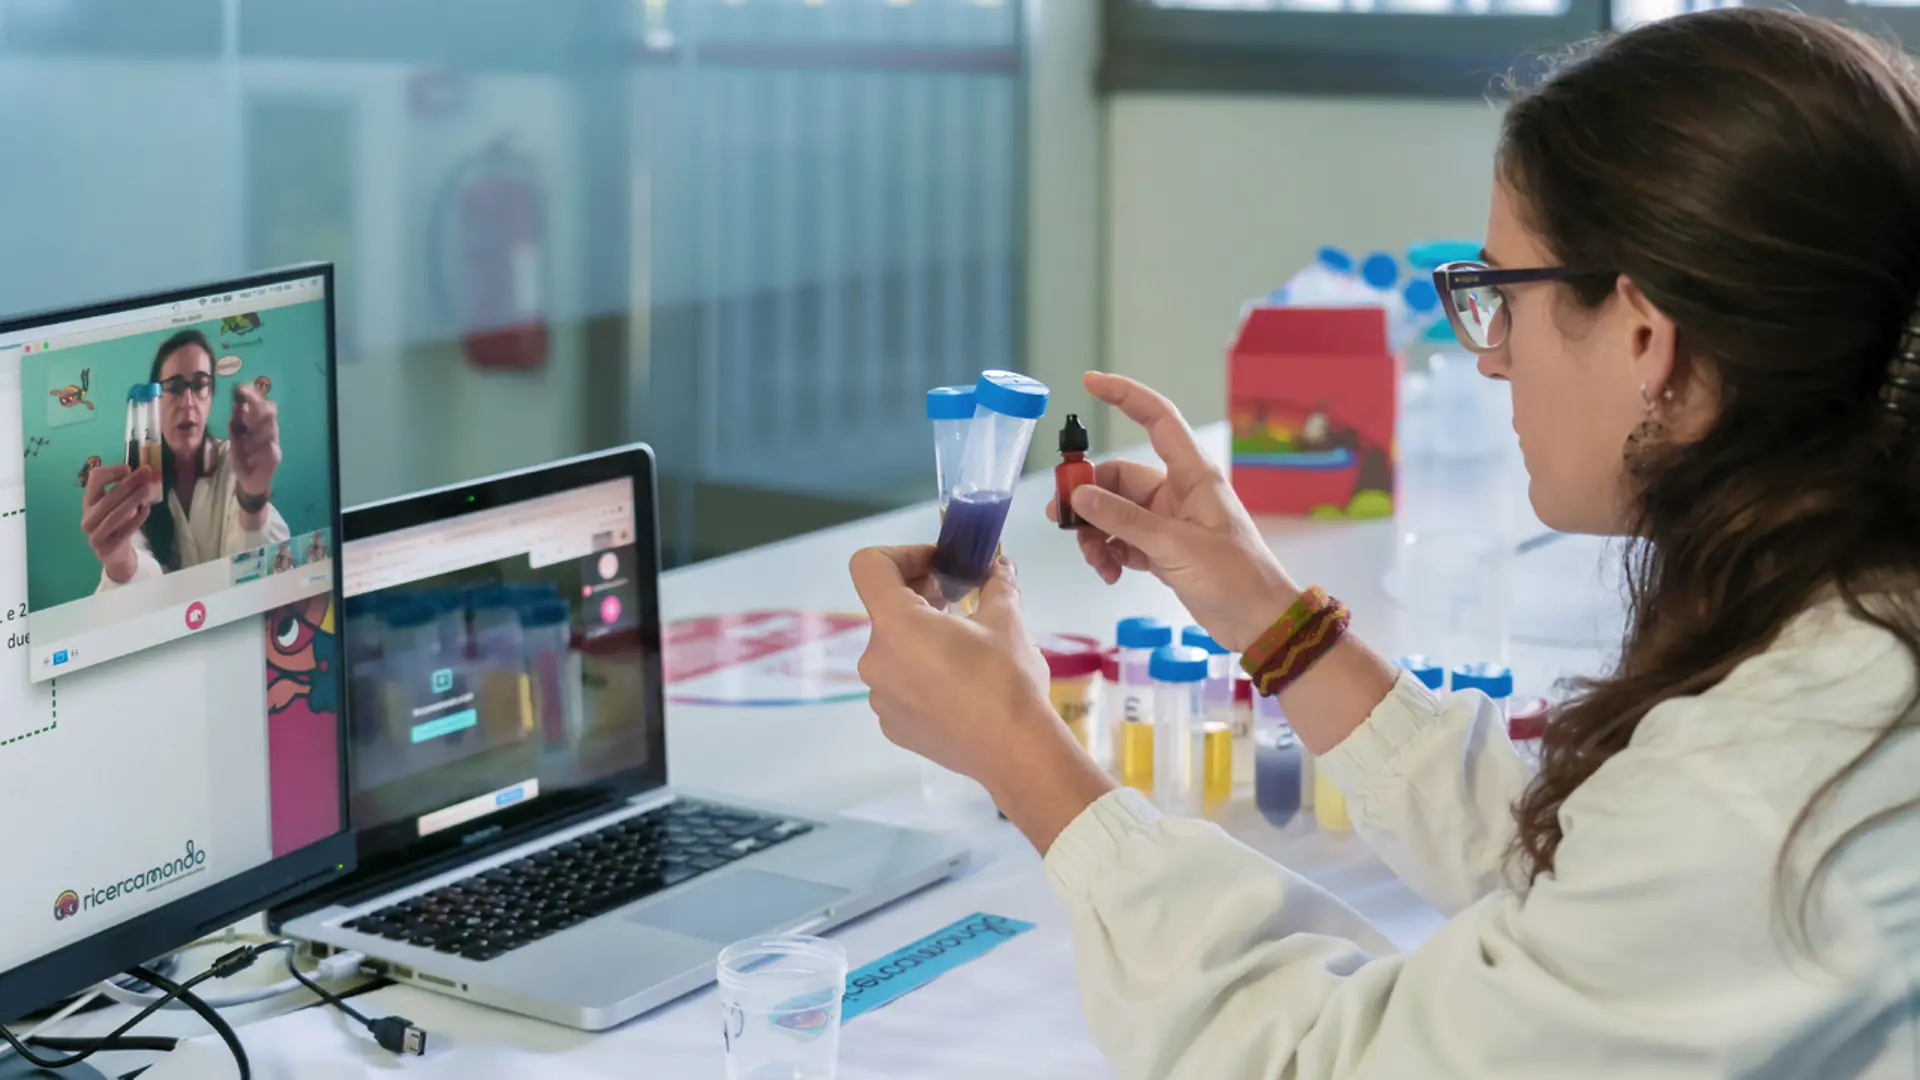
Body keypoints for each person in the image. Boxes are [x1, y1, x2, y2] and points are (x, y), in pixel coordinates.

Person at [851, 11, 1920, 1078]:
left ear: (1647, 339)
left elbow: (1329, 1063)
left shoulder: (1778, 781)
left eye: (1502, 298)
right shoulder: (1848, 622)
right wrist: (1270, 619)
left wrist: (1021, 752)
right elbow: (1578, 877)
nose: (1490, 360)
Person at [81, 329, 287, 591]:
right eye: (175, 388)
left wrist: (254, 500)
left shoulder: (235, 463)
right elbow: (141, 602)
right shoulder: (138, 482)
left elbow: (259, 577)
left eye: (201, 385)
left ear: (211, 396)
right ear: (155, 402)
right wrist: (120, 560)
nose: (188, 402)